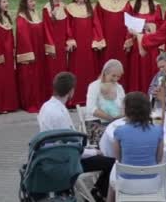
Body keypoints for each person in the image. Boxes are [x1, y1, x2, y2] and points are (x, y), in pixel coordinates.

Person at [37, 72, 114, 202]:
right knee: (111, 162)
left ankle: (97, 192)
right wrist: (95, 151)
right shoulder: (59, 113)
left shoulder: (47, 106)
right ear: (71, 91)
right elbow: (71, 148)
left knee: (102, 156)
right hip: (66, 161)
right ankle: (99, 195)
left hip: (55, 155)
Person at [107, 92, 164, 202]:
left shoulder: (119, 131)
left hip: (126, 184)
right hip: (152, 183)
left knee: (114, 170)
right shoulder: (158, 130)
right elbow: (158, 159)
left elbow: (118, 159)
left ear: (128, 110)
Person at [66, 0, 106, 107]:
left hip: (89, 44)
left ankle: (89, 98)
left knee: (90, 70)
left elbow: (96, 25)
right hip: (77, 44)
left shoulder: (91, 8)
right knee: (77, 70)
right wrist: (70, 38)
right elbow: (67, 25)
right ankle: (75, 99)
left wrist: (97, 39)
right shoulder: (69, 8)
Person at [126, 0, 163, 93]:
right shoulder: (132, 5)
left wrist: (151, 27)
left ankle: (152, 94)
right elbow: (127, 23)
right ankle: (137, 94)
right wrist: (129, 37)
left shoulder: (156, 6)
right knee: (137, 69)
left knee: (151, 68)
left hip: (151, 44)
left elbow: (160, 24)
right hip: (137, 43)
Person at [95, 0, 131, 82]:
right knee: (106, 67)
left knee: (121, 67)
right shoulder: (101, 2)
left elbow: (129, 23)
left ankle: (121, 94)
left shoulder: (126, 3)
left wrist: (128, 39)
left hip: (121, 43)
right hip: (106, 43)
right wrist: (100, 39)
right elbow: (97, 22)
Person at [16, 0, 46, 113]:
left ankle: (39, 99)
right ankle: (30, 102)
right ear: (25, 3)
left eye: (34, 0)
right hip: (30, 53)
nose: (34, 3)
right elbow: (23, 36)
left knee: (39, 76)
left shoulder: (35, 14)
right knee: (30, 77)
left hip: (38, 50)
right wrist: (29, 53)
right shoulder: (21, 17)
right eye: (31, 1)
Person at [0, 0, 19, 113]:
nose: (7, 4)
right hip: (1, 53)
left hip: (9, 53)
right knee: (1, 80)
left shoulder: (6, 17)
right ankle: (2, 106)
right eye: (4, 2)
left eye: (7, 1)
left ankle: (10, 104)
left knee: (9, 79)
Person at [86, 59, 125, 144]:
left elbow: (124, 106)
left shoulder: (119, 88)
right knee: (111, 136)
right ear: (105, 72)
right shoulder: (94, 86)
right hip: (96, 123)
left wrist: (121, 115)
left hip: (116, 122)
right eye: (113, 76)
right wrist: (110, 118)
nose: (116, 79)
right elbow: (91, 109)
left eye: (118, 77)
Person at [42, 0, 68, 100]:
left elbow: (68, 26)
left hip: (62, 43)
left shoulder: (64, 6)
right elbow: (46, 29)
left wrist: (68, 40)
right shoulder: (46, 8)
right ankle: (53, 96)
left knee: (63, 69)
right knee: (53, 70)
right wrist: (50, 46)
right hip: (53, 44)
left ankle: (63, 96)